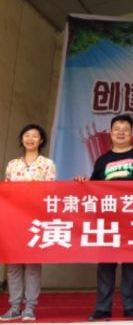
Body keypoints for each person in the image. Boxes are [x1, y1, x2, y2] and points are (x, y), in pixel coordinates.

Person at [76, 115, 133, 321]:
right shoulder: (102, 160)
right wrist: (83, 182)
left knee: (130, 264)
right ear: (111, 133)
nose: (121, 132)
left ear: (131, 133)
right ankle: (102, 308)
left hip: (132, 217)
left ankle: (131, 307)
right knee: (106, 264)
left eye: (125, 129)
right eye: (117, 129)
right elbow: (93, 186)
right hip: (108, 219)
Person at [1, 124, 56, 321]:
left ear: (41, 141)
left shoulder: (47, 164)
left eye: (35, 136)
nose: (30, 139)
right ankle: (15, 307)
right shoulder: (12, 164)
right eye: (27, 135)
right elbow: (7, 192)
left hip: (35, 220)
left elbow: (50, 192)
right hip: (14, 219)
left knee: (32, 265)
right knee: (13, 265)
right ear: (21, 139)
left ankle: (30, 307)